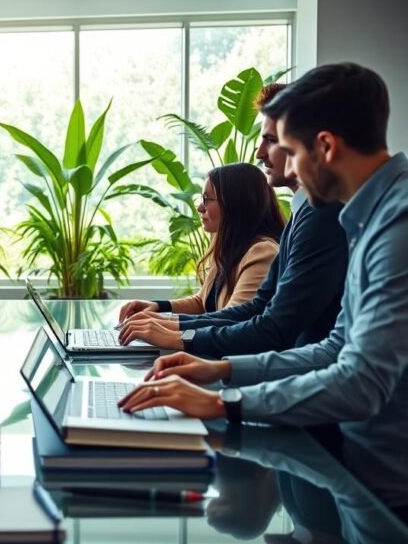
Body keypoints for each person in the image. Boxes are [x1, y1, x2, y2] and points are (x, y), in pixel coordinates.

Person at [118, 63, 408, 519]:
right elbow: (335, 347)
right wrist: (219, 371)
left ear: (326, 147)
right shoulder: (368, 220)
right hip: (364, 481)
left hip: (389, 494)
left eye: (288, 150)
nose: (284, 168)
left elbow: (360, 382)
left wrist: (223, 400)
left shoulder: (396, 227)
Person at [116, 84, 348, 356]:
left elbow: (272, 328)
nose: (260, 153)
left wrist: (177, 335)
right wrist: (165, 322)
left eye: (272, 140)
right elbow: (257, 308)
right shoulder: (303, 215)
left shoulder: (319, 218)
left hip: (304, 381)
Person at [116, 163, 285, 348]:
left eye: (207, 199)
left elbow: (232, 319)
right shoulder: (228, 246)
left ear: (234, 204)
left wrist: (162, 324)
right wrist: (157, 306)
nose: (199, 208)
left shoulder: (262, 251)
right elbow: (202, 302)